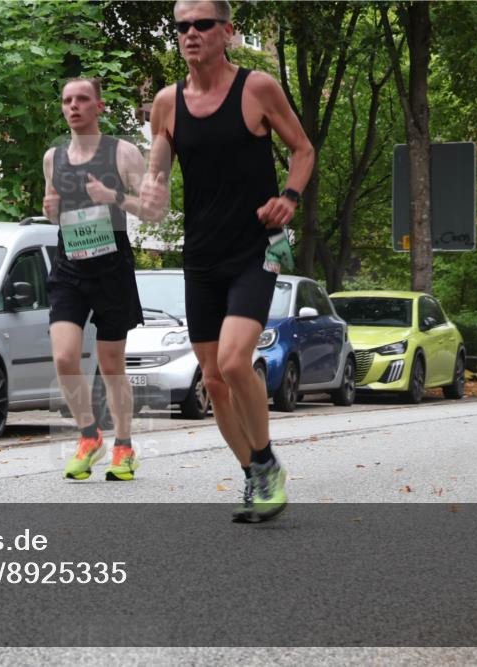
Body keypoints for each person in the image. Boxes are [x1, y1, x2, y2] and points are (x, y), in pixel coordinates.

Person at [140, 0, 314, 521]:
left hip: (254, 249)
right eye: (182, 26)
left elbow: (303, 149)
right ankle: (256, 476)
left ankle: (265, 461)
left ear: (227, 31)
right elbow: (158, 172)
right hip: (201, 255)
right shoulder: (166, 104)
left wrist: (289, 197)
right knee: (213, 378)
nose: (190, 33)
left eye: (202, 24)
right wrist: (146, 190)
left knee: (237, 361)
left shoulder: (257, 88)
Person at [42, 77, 148, 481]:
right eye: (67, 100)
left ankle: (123, 445)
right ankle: (89, 435)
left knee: (110, 363)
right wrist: (50, 208)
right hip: (69, 265)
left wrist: (115, 198)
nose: (74, 106)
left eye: (82, 99)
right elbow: (53, 208)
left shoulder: (123, 152)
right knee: (65, 356)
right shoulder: (53, 157)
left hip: (111, 266)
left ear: (99, 107)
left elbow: (153, 210)